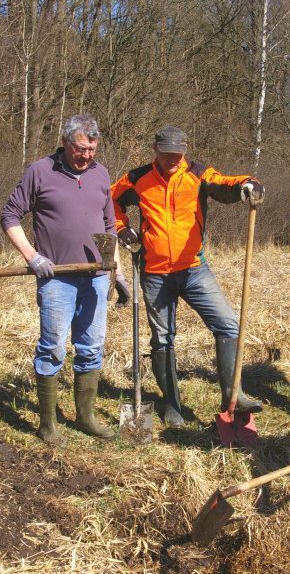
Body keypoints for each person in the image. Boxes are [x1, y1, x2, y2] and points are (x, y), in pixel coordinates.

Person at [111, 126, 265, 426]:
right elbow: (110, 201)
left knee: (228, 325)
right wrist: (121, 227)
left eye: (177, 154)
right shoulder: (137, 178)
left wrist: (249, 183)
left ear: (185, 150)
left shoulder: (198, 174)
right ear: (156, 150)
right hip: (155, 272)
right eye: (166, 153)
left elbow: (226, 183)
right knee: (163, 339)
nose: (172, 159)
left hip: (194, 269)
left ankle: (233, 395)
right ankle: (171, 404)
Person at [1, 113, 117, 444]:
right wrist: (32, 255)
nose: (88, 155)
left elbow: (110, 225)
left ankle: (86, 417)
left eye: (93, 148)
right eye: (81, 148)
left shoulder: (100, 173)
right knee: (52, 348)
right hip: (57, 278)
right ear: (65, 143)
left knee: (92, 347)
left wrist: (115, 268)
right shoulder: (40, 171)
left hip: (95, 276)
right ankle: (47, 424)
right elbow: (9, 215)